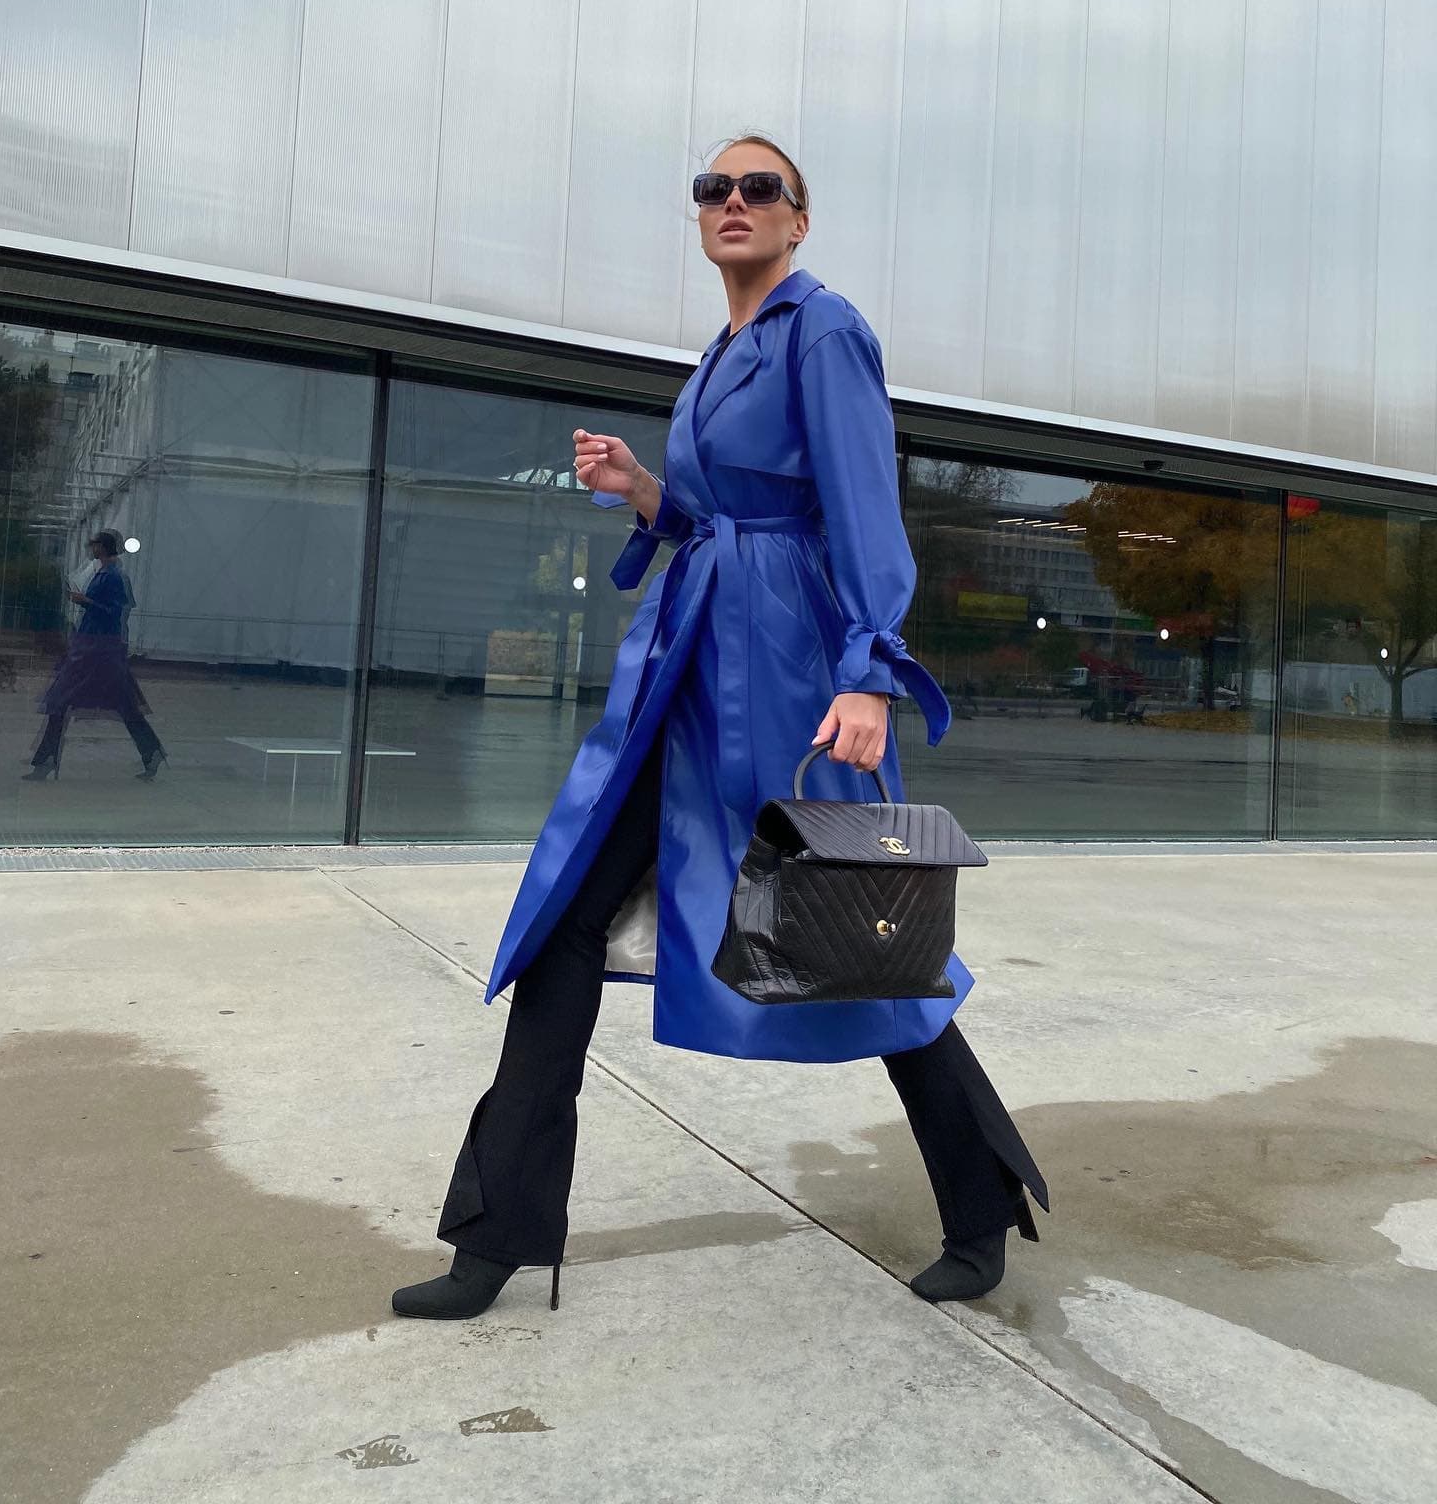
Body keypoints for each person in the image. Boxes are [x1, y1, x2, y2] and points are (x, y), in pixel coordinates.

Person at [393, 136, 1046, 1322]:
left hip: (790, 677)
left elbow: (863, 512)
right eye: (713, 189)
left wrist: (868, 675)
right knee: (565, 921)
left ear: (799, 218)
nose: (732, 202)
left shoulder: (823, 330)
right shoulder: (720, 353)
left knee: (860, 935)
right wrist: (646, 490)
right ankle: (495, 1238)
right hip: (686, 673)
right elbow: (712, 516)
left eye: (759, 189)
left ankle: (983, 1205)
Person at [23, 530, 166, 781]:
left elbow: (114, 612)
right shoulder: (105, 573)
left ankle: (46, 761)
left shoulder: (112, 576)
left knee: (64, 701)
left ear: (103, 547)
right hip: (94, 648)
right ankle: (151, 752)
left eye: (96, 545)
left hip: (96, 650)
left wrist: (85, 601)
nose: (92, 549)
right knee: (120, 704)